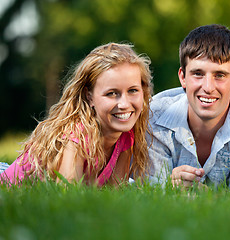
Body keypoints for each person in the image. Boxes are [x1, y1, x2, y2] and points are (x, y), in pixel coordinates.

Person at [0, 43, 153, 186]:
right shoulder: (77, 136)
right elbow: (68, 196)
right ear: (89, 96)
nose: (124, 104)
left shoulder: (126, 135)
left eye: (133, 91)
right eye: (112, 93)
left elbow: (114, 195)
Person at [147, 24, 230, 188]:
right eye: (198, 73)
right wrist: (168, 185)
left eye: (219, 75)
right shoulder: (155, 116)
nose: (207, 87)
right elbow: (151, 188)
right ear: (183, 77)